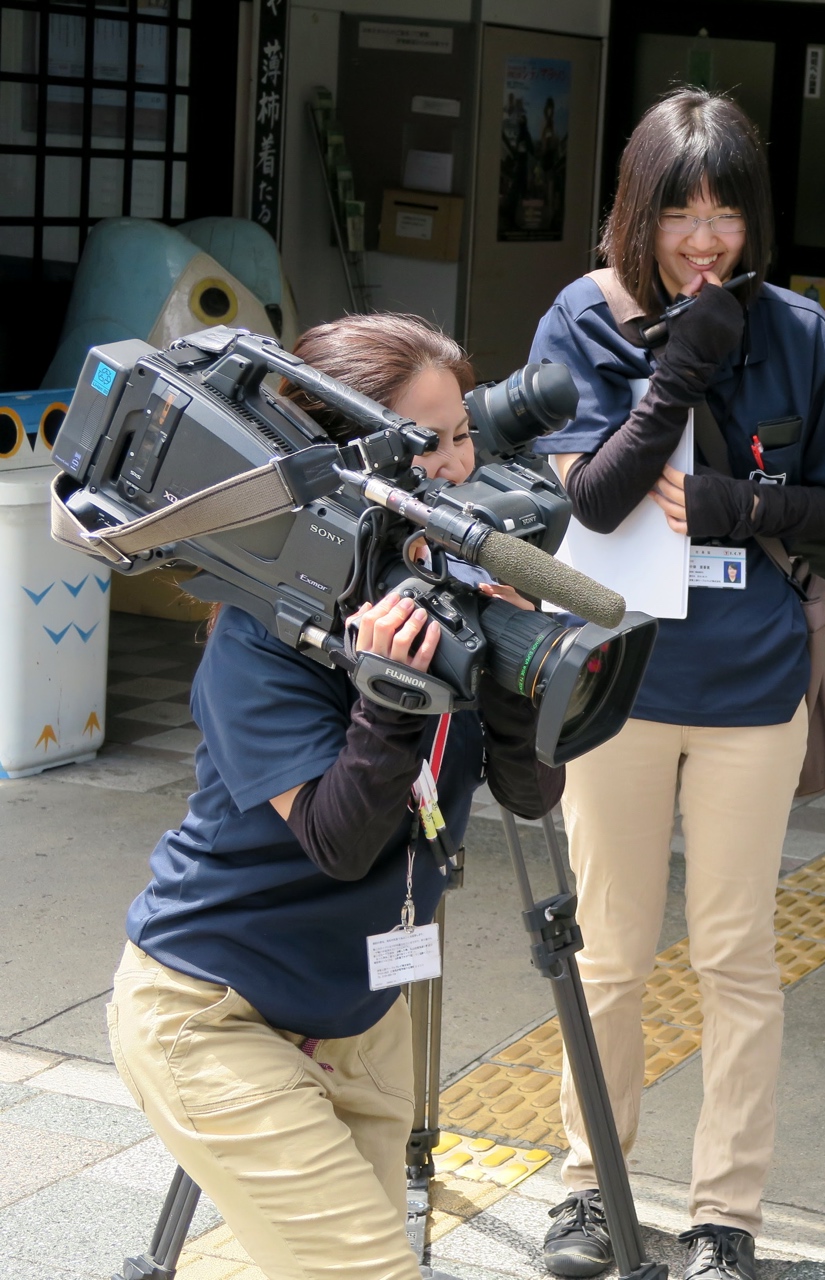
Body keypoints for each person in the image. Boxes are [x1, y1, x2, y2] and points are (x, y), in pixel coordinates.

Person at [106, 314, 563, 1280]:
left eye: (464, 434)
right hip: (213, 1017)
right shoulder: (258, 643)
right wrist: (392, 700)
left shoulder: (451, 593)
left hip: (364, 1019)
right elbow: (337, 840)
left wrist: (521, 679)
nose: (457, 463)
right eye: (428, 442)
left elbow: (528, 793)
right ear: (346, 464)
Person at [527, 89, 825, 1280]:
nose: (704, 238)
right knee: (611, 949)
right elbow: (589, 499)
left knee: (736, 952)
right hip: (615, 673)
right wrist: (680, 365)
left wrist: (749, 506)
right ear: (639, 209)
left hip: (753, 684)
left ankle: (726, 1212)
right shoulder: (582, 321)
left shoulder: (802, 330)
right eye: (680, 210)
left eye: (726, 211)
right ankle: (589, 1185)